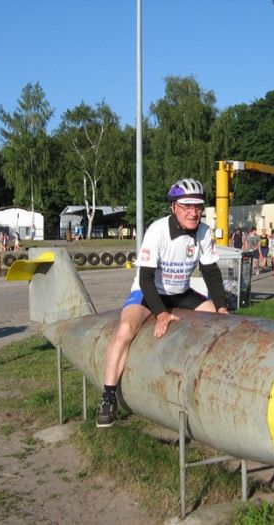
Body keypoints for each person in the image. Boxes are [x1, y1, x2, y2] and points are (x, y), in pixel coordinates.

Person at [96, 178, 229, 428]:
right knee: (125, 330)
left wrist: (221, 308)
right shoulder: (157, 230)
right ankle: (108, 396)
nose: (193, 213)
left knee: (217, 320)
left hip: (180, 291)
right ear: (173, 207)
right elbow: (145, 278)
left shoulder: (203, 231)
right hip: (150, 291)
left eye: (198, 207)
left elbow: (211, 273)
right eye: (186, 206)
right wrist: (161, 313)